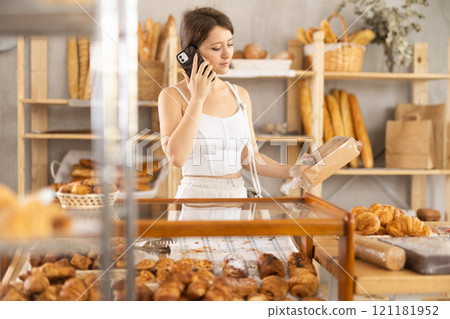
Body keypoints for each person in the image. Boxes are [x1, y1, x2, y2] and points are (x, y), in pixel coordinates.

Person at [158, 7, 291, 199]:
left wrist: (293, 171)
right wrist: (197, 99)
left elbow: (249, 158)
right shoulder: (171, 96)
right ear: (191, 53)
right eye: (216, 48)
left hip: (237, 197)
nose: (227, 54)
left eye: (230, 44)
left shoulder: (240, 95)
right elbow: (177, 158)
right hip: (195, 200)